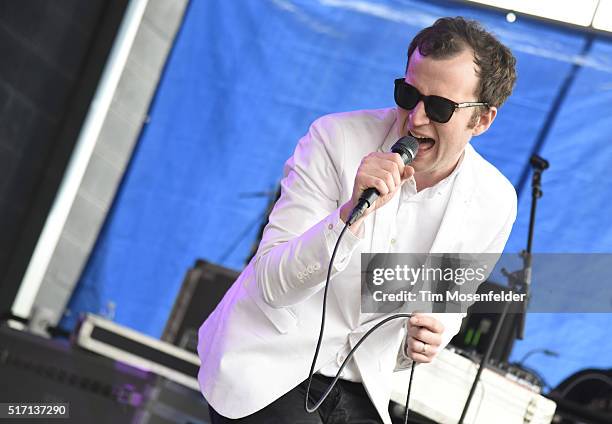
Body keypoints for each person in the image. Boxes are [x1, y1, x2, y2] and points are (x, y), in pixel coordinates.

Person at [198, 16, 517, 424]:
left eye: (439, 107)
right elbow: (271, 284)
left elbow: (444, 309)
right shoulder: (335, 139)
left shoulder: (494, 201)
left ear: (483, 120)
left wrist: (428, 338)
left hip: (362, 383)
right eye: (407, 94)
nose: (416, 119)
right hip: (266, 367)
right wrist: (348, 216)